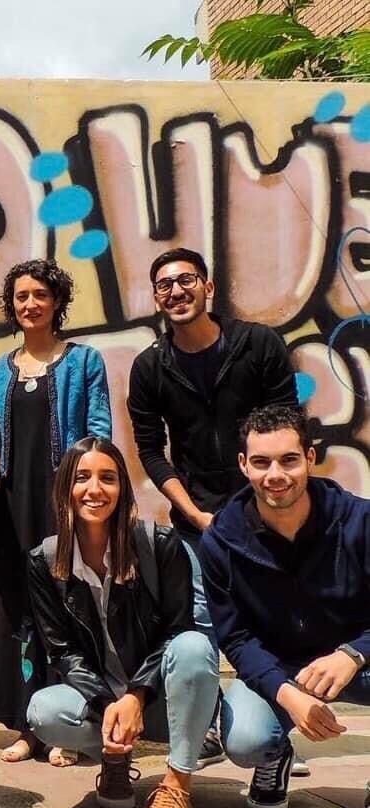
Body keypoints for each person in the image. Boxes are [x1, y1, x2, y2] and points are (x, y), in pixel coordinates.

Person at [127, 248, 299, 772]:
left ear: (208, 288)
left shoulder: (258, 345)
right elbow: (152, 450)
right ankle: (198, 735)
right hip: (196, 526)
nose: (175, 292)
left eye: (185, 281)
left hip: (265, 520)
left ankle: (272, 741)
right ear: (156, 298)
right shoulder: (151, 366)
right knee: (198, 630)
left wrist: (255, 506)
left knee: (270, 629)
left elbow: (284, 421)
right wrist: (197, 515)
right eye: (164, 285)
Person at [26, 437, 219, 808]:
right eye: (82, 477)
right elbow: (60, 649)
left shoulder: (161, 545)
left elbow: (177, 629)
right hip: (106, 696)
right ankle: (114, 760)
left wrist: (136, 695)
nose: (94, 489)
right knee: (43, 710)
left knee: (193, 645)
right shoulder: (44, 561)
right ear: (65, 488)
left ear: (122, 489)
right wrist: (107, 704)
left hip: (161, 696)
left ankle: (178, 785)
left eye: (107, 478)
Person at [201, 405, 370, 808]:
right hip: (279, 669)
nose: (275, 475)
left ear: (310, 458)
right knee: (245, 740)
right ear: (244, 465)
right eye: (261, 462)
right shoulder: (221, 542)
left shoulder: (361, 522)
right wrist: (288, 695)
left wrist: (353, 654)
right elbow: (236, 639)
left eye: (289, 460)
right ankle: (275, 755)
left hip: (355, 661)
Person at [0, 259, 111, 766]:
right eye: (20, 297)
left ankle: (68, 724)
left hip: (65, 505)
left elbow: (98, 430)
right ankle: (24, 726)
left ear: (57, 301)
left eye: (39, 294)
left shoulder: (84, 361)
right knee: (15, 612)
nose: (30, 304)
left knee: (66, 612)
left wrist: (89, 494)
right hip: (9, 508)